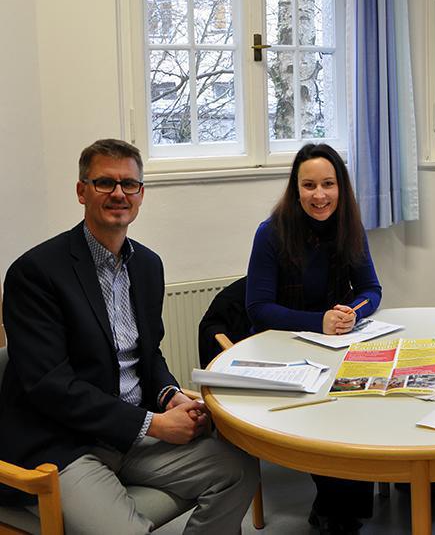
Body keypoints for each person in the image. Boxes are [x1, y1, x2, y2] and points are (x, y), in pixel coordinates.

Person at [0, 139, 258, 534]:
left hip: (132, 434)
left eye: (129, 184)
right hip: (64, 446)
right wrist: (151, 425)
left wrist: (169, 395)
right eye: (105, 183)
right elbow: (50, 386)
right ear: (81, 191)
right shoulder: (36, 273)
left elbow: (148, 354)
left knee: (238, 469)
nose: (119, 193)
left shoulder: (148, 265)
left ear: (141, 194)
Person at [246, 142, 381, 535]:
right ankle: (336, 510)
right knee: (330, 413)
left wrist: (352, 312)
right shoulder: (271, 233)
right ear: (296, 188)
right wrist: (317, 321)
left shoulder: (349, 226)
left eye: (328, 184)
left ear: (341, 187)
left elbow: (372, 288)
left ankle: (346, 502)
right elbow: (258, 308)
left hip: (335, 343)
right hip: (283, 351)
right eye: (309, 186)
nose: (319, 195)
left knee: (364, 400)